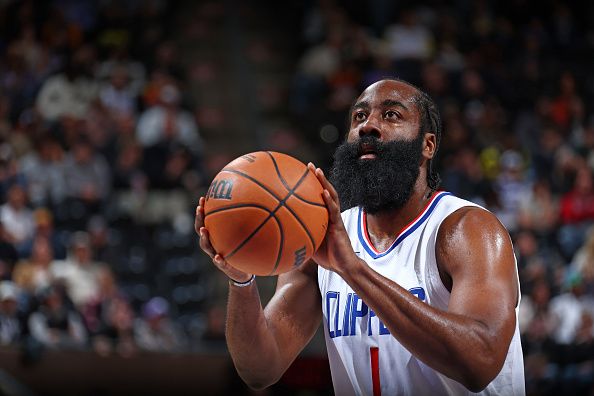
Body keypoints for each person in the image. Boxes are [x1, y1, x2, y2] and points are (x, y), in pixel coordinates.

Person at [195, 79, 525, 395]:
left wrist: (353, 270)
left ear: (428, 144)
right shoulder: (320, 238)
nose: (368, 125)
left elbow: (480, 362)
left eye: (392, 114)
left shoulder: (467, 230)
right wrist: (241, 279)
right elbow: (260, 370)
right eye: (359, 116)